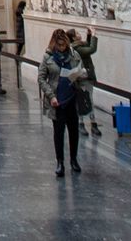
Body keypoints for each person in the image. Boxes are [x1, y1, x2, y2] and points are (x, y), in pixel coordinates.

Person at [39, 29, 88, 176]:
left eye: (64, 45)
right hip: (57, 101)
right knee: (59, 133)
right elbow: (41, 78)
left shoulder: (74, 55)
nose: (62, 48)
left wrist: (81, 74)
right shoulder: (48, 57)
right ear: (54, 44)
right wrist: (50, 96)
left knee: (74, 132)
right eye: (59, 45)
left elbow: (81, 69)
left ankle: (73, 159)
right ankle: (60, 161)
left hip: (72, 98)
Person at [70, 28, 102, 137]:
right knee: (84, 100)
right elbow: (91, 49)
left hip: (84, 76)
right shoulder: (77, 48)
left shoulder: (79, 45)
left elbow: (87, 46)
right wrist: (94, 35)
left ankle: (90, 123)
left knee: (87, 100)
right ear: (73, 38)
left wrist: (88, 36)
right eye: (77, 33)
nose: (80, 34)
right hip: (83, 77)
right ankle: (83, 123)